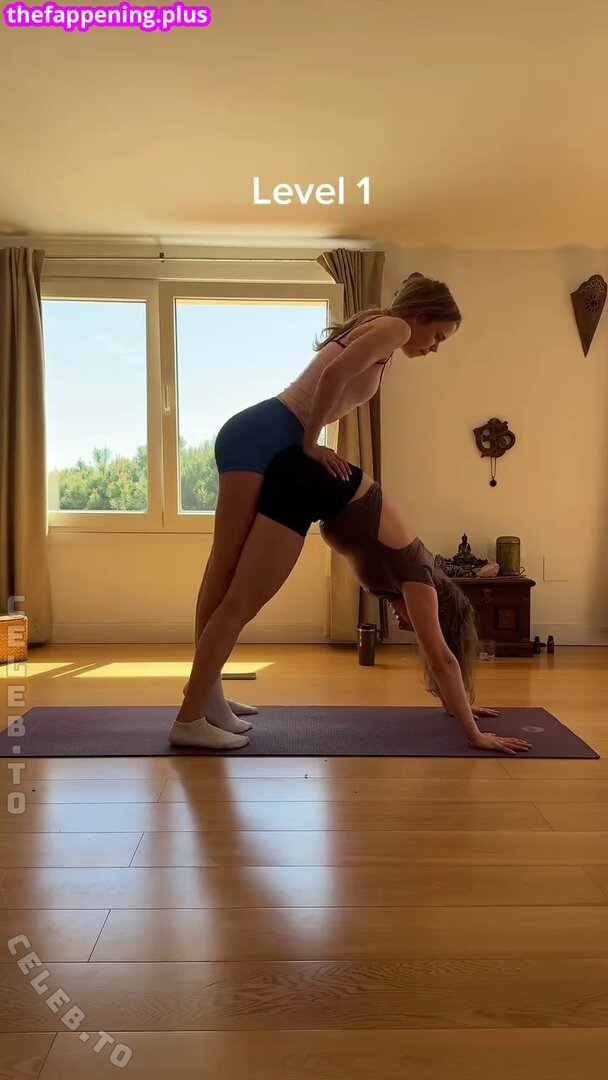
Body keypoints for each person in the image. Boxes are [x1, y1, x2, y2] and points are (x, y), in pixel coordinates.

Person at [182, 274, 461, 736]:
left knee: (226, 572)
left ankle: (207, 689)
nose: (433, 348)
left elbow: (334, 378)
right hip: (261, 436)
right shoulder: (394, 328)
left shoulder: (382, 331)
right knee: (224, 567)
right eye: (438, 336)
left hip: (270, 436)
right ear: (423, 316)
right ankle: (199, 699)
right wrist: (312, 444)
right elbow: (333, 376)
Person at [171, 445, 532, 757]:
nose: (406, 626)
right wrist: (475, 735)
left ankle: (205, 692)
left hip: (305, 484)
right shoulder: (419, 581)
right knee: (238, 606)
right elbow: (442, 658)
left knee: (230, 594)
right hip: (304, 482)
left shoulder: (410, 579)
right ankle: (190, 717)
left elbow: (439, 655)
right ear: (439, 608)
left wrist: (457, 706)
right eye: (413, 624)